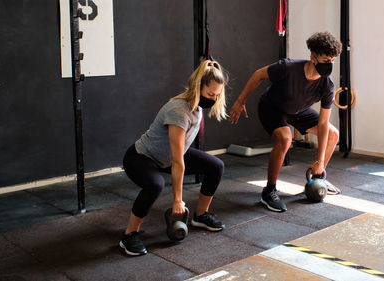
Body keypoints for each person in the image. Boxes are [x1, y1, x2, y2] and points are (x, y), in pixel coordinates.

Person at [120, 60, 228, 256]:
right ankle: (129, 234)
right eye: (210, 94)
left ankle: (201, 215)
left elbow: (178, 154)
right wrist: (178, 200)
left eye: (217, 95)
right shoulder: (179, 110)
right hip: (142, 157)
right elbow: (178, 161)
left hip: (166, 157)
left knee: (216, 166)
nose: (213, 99)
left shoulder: (197, 107)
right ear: (197, 87)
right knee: (155, 185)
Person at [229, 31, 342, 213]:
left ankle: (318, 176)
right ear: (313, 57)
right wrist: (240, 101)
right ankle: (269, 191)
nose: (330, 65)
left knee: (333, 134)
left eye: (333, 61)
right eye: (326, 60)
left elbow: (323, 124)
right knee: (285, 138)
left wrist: (320, 161)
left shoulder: (327, 86)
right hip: (272, 108)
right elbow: (258, 74)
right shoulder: (288, 68)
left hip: (297, 110)